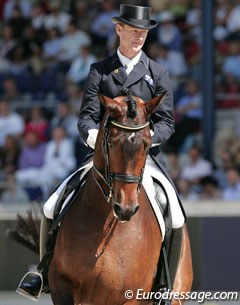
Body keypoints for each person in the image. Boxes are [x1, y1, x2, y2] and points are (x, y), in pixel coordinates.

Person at [17, 4, 186, 300]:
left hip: (141, 159)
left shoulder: (157, 73)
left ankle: (164, 284)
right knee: (51, 204)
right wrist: (95, 137)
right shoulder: (100, 71)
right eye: (133, 30)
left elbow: (167, 122)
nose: (139, 37)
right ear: (119, 29)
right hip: (104, 155)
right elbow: (86, 116)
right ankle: (43, 272)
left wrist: (145, 138)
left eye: (143, 32)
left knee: (174, 212)